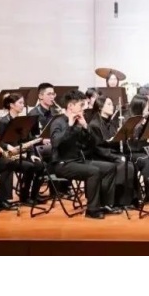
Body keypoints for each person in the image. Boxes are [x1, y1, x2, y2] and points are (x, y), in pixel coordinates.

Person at [49, 90, 119, 219]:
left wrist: (86, 127)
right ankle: (92, 209)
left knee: (110, 167)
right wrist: (70, 126)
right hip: (63, 163)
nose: (84, 108)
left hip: (78, 160)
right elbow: (55, 143)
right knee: (94, 171)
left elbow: (91, 143)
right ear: (71, 106)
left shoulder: (79, 122)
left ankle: (105, 204)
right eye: (81, 105)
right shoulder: (58, 122)